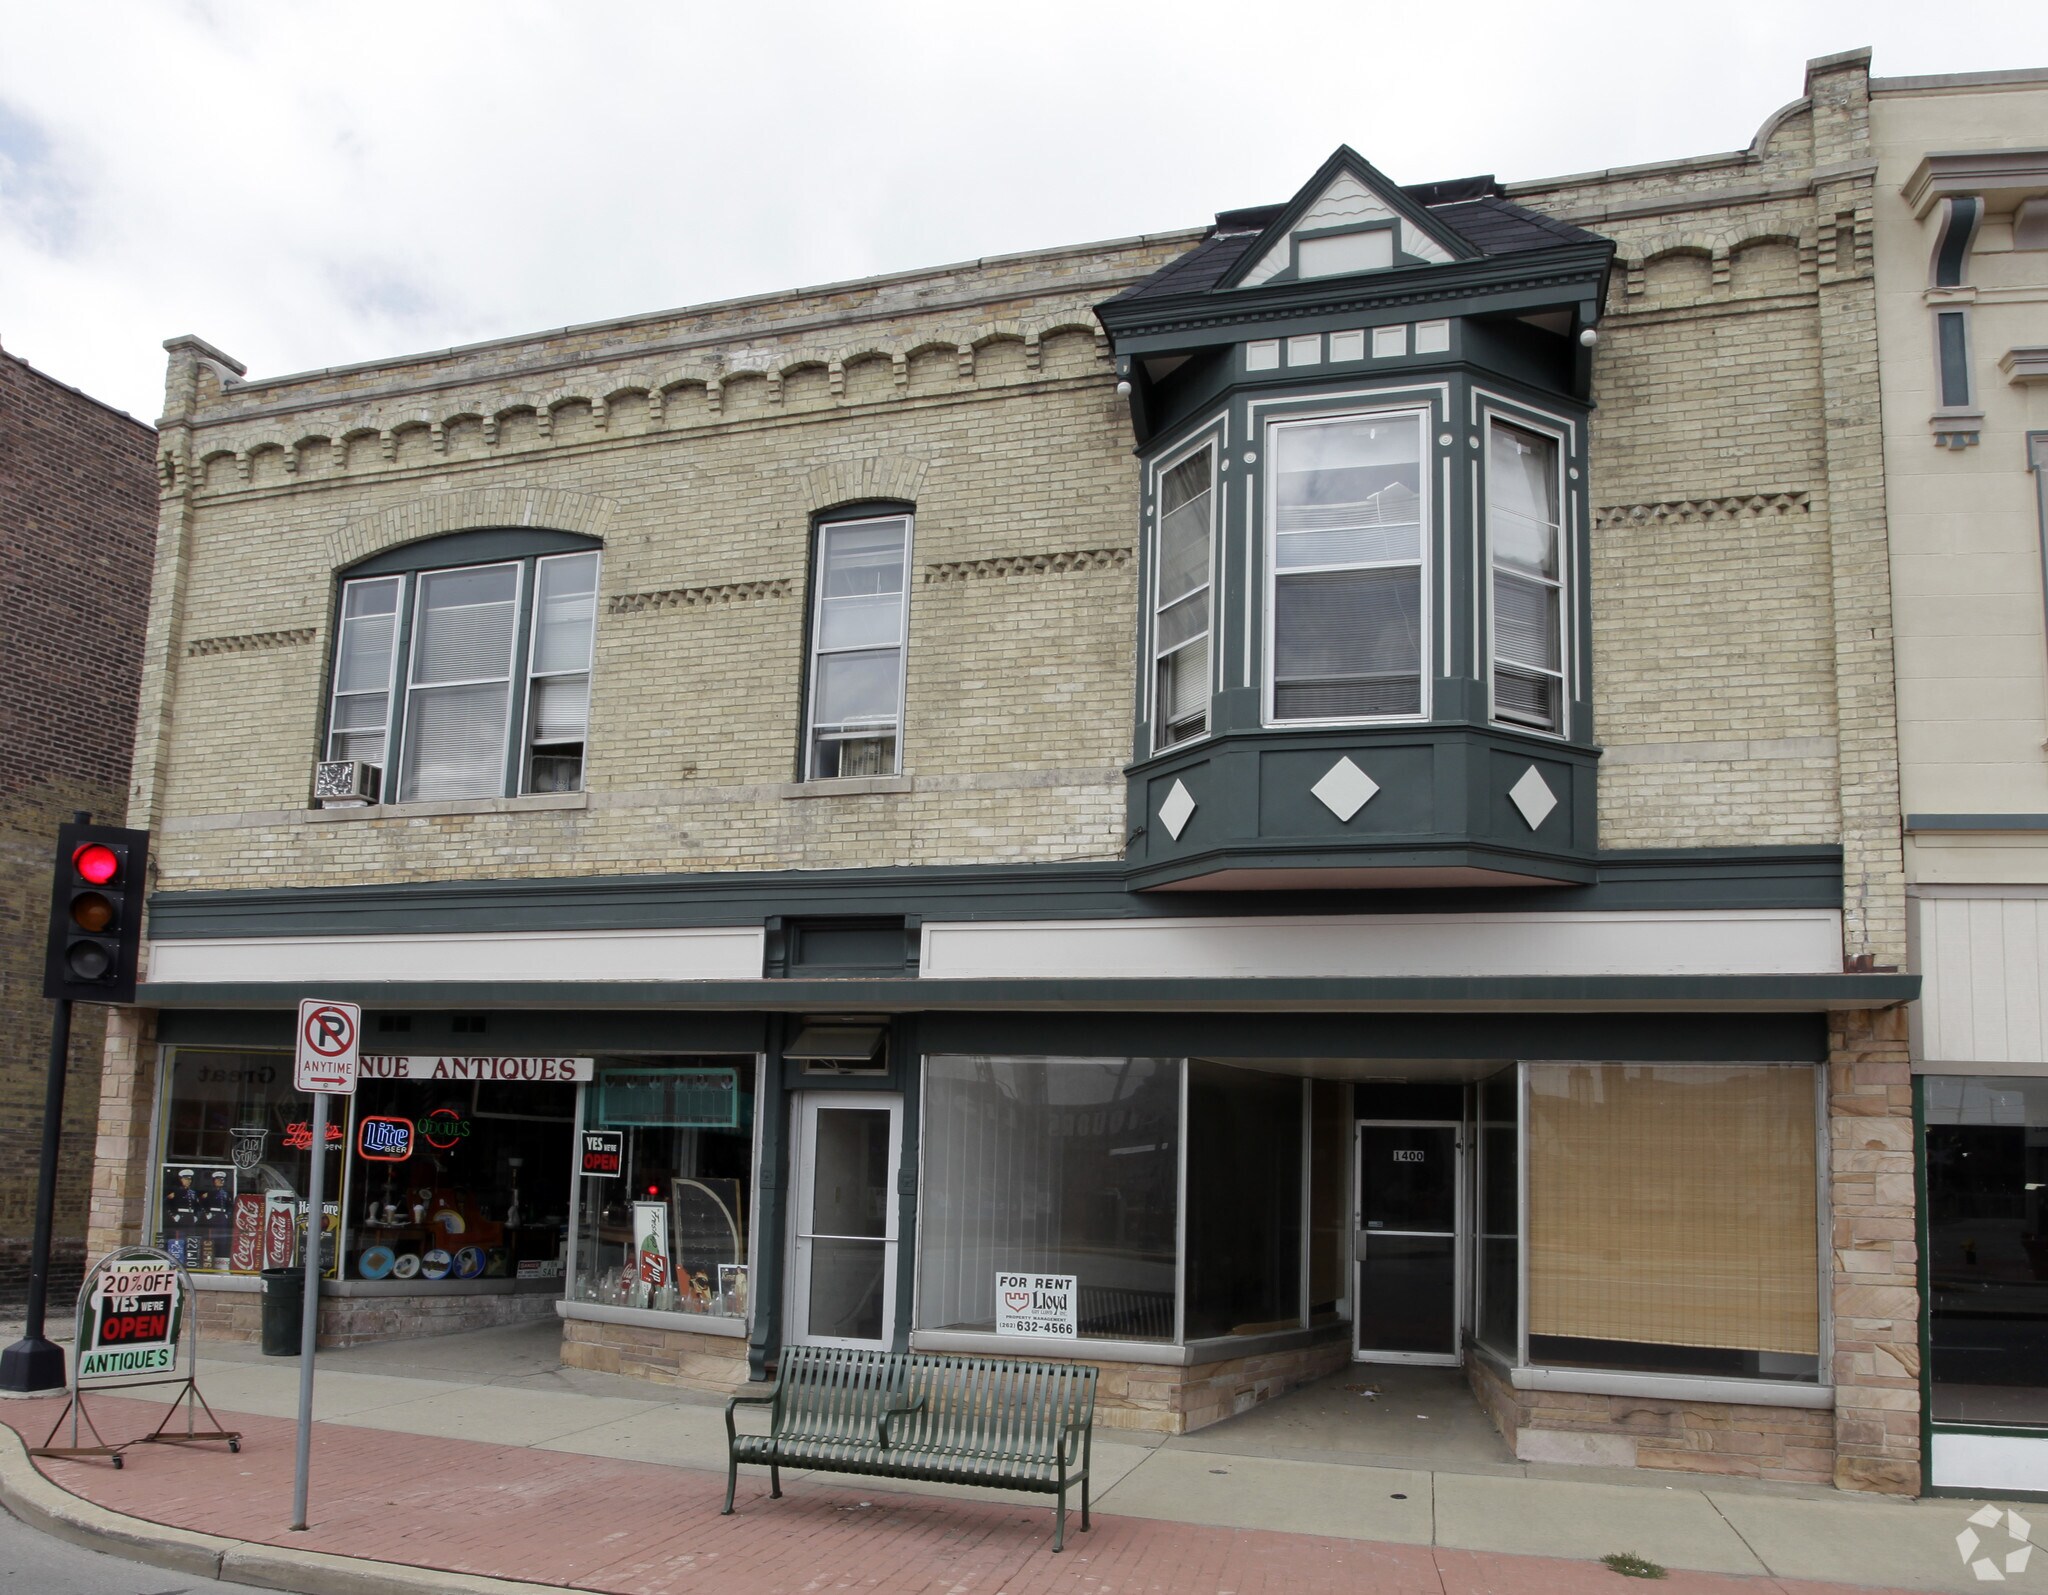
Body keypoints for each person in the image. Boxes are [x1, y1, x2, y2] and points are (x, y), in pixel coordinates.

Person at [196, 1170, 233, 1268]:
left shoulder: (225, 1194)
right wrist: (207, 1213)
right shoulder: (209, 1193)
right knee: (212, 1239)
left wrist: (227, 1214)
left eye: (222, 1180)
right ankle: (210, 1261)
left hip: (222, 1217)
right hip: (213, 1217)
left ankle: (221, 1259)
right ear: (214, 1181)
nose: (221, 1181)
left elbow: (229, 1205)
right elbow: (200, 1202)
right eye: (218, 1180)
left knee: (223, 1239)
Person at [163, 1168, 201, 1263]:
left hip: (190, 1217)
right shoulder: (176, 1192)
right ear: (181, 1180)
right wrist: (174, 1216)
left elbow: (198, 1206)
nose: (188, 1181)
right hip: (180, 1218)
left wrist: (196, 1216)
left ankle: (189, 1259)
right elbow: (166, 1204)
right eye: (186, 1179)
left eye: (189, 1179)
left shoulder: (193, 1193)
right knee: (179, 1238)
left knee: (190, 1240)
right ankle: (178, 1260)